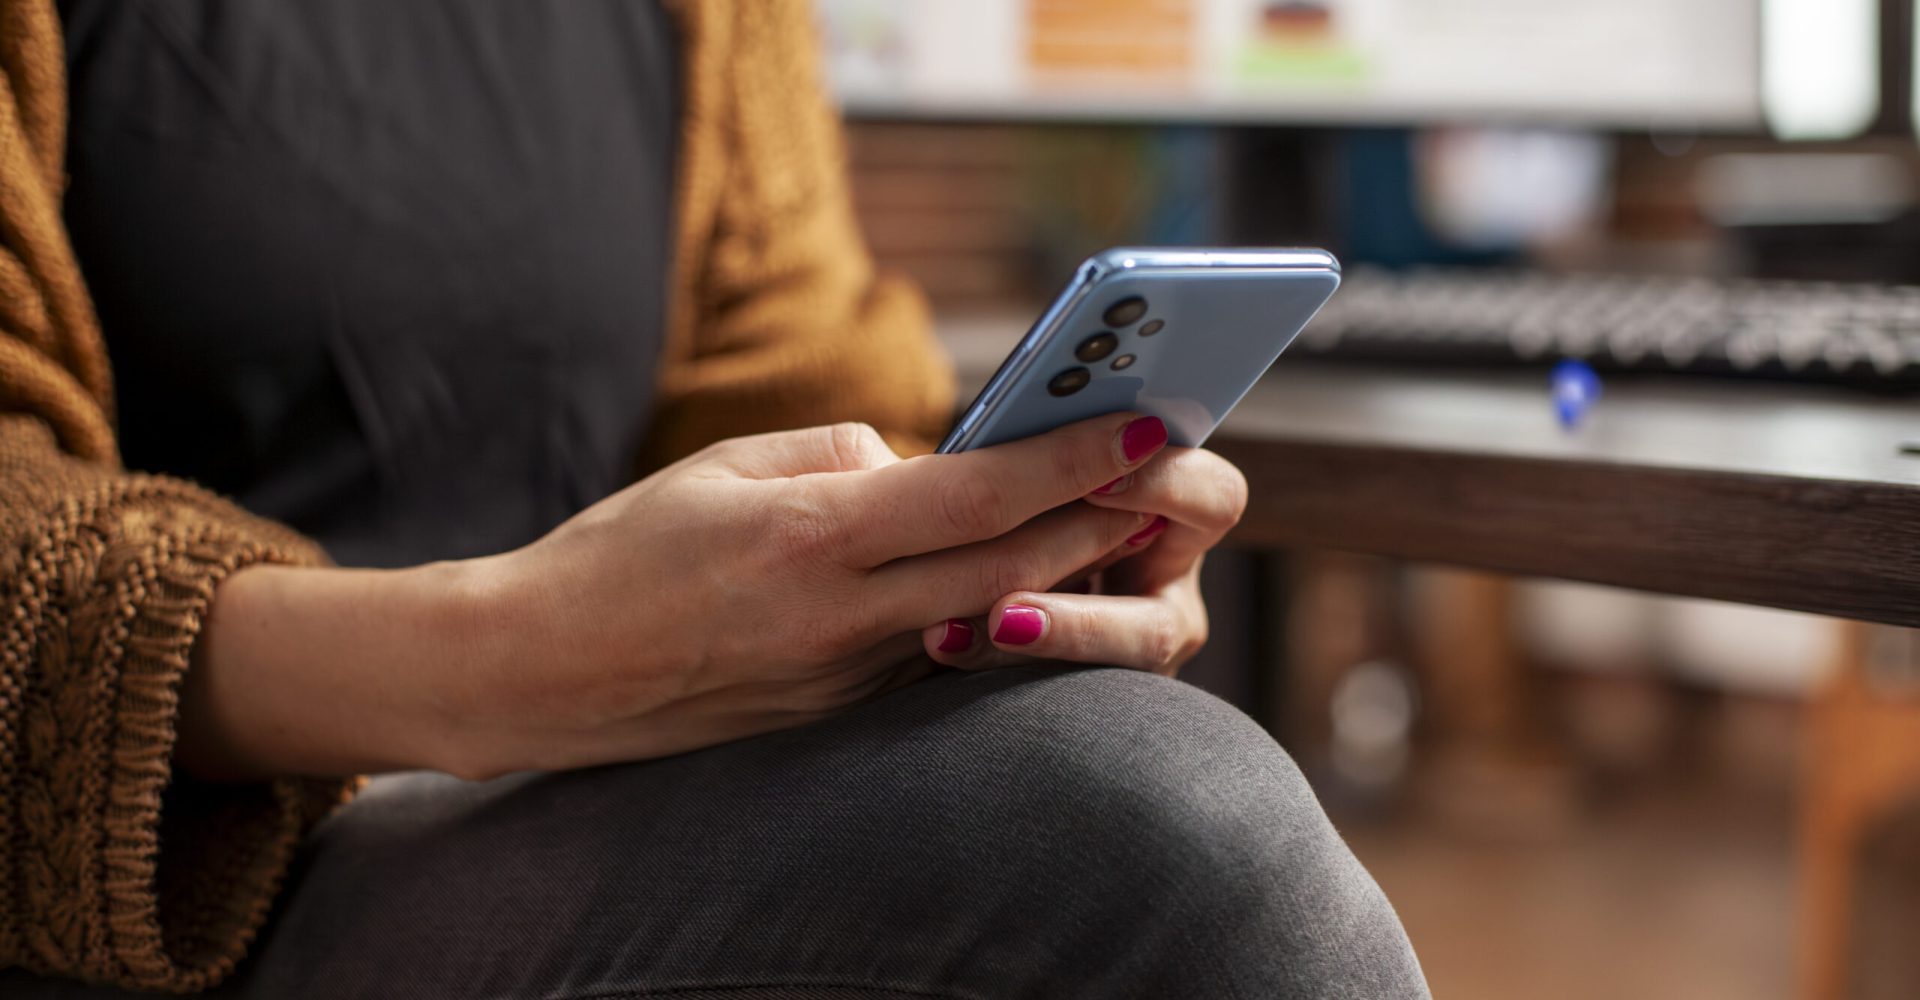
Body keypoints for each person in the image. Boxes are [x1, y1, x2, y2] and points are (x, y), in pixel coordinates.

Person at [0, 2, 1429, 997]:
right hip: (162, 889)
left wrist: (966, 552)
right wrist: (519, 656)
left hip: (580, 790)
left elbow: (797, 381)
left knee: (1113, 772)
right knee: (1167, 834)